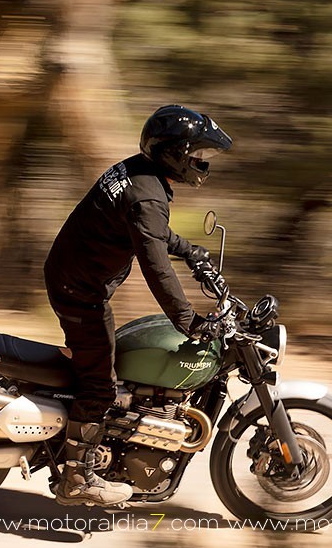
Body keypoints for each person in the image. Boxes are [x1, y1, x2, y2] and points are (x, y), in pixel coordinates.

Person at [43, 104, 233, 506]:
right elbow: (154, 265)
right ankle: (78, 476)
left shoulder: (138, 172)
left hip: (78, 277)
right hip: (80, 288)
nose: (202, 163)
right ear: (176, 153)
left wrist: (191, 251)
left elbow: (149, 233)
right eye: (198, 155)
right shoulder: (148, 194)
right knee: (100, 381)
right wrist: (189, 321)